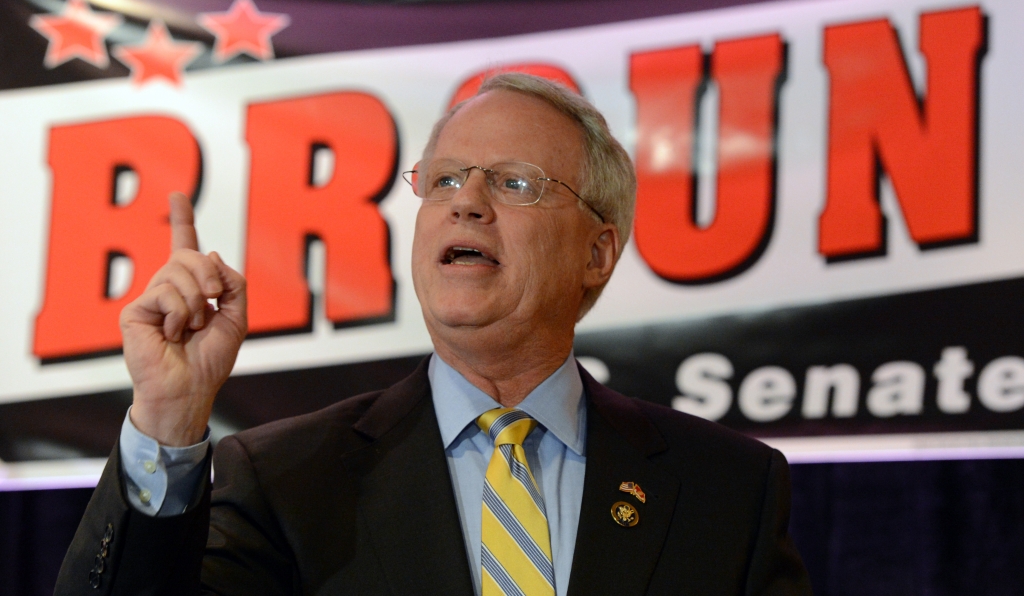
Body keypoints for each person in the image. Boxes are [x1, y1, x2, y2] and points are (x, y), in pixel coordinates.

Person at [56, 73, 811, 595]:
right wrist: (167, 419)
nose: (467, 202)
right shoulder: (287, 479)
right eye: (445, 180)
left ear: (596, 252)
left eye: (515, 183)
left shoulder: (725, 490)